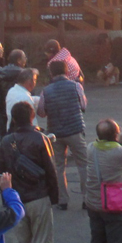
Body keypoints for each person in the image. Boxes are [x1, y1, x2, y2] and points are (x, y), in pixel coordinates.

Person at [0, 101, 59, 243]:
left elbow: (2, 172)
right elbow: (50, 170)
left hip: (16, 198)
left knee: (20, 242)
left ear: (14, 118)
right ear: (32, 117)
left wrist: (6, 198)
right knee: (42, 242)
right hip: (38, 196)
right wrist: (54, 196)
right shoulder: (40, 139)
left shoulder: (6, 141)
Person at [38, 60, 88, 210]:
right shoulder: (76, 86)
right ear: (66, 71)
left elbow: (41, 112)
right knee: (83, 164)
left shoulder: (46, 91)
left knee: (58, 167)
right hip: (75, 130)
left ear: (51, 73)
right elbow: (83, 105)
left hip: (55, 132)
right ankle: (87, 198)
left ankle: (62, 200)